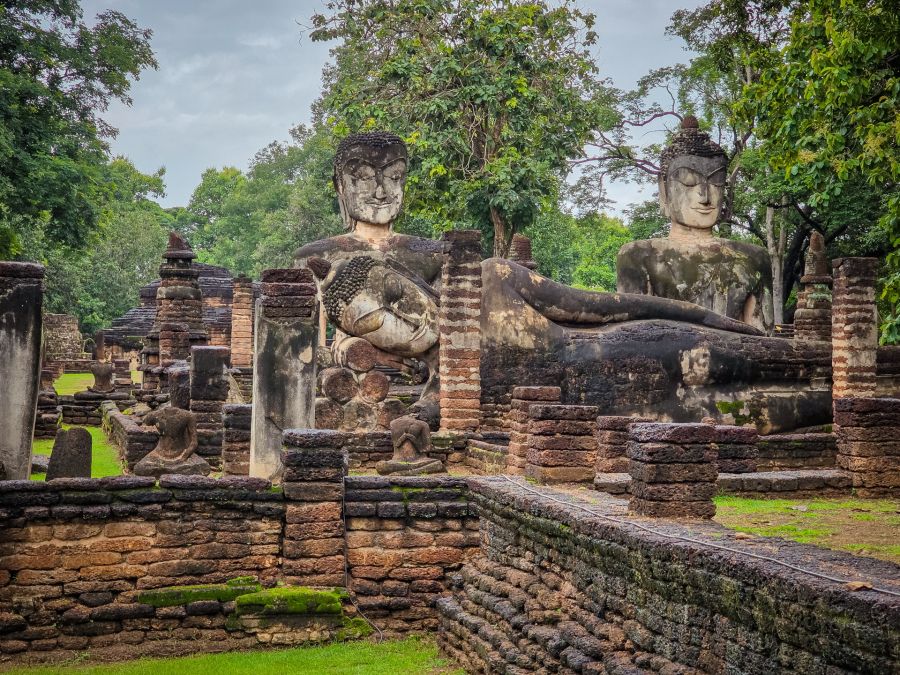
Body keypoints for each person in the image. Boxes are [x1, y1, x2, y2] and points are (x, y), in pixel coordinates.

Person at [616, 116, 774, 333]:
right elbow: (635, 339)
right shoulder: (639, 256)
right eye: (689, 183)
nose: (705, 196)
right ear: (664, 191)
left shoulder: (753, 259)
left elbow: (762, 342)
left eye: (716, 181)